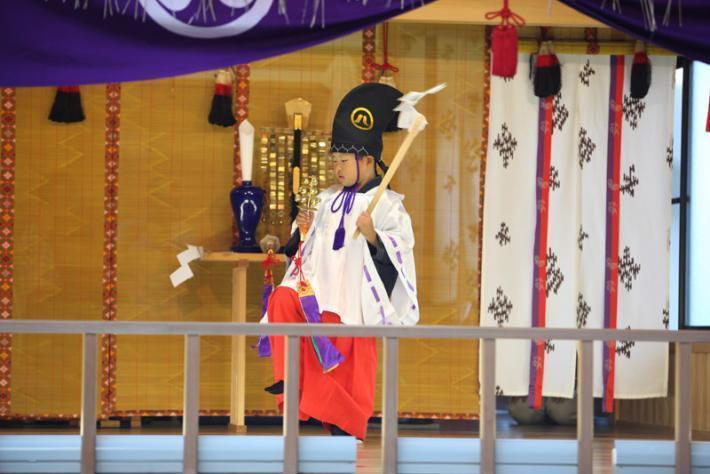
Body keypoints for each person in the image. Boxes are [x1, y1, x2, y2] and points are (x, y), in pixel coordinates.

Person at [263, 83, 419, 440]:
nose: (336, 169)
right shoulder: (325, 198)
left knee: (345, 374)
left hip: (351, 304)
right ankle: (290, 379)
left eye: (343, 162)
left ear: (366, 160)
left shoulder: (387, 204)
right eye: (333, 161)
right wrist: (299, 232)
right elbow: (302, 248)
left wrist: (374, 237)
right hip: (315, 295)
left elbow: (400, 254)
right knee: (281, 300)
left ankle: (341, 419)